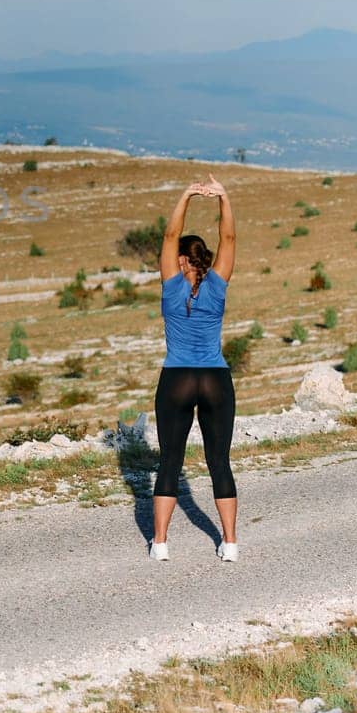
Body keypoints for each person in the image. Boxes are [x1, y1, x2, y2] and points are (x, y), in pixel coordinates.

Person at [149, 174, 239, 563]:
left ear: (181, 258)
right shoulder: (218, 284)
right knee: (219, 461)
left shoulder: (172, 286)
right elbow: (230, 240)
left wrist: (186, 194)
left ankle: (161, 543)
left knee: (171, 460)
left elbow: (169, 236)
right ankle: (230, 543)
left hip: (178, 377)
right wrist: (223, 198)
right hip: (216, 377)